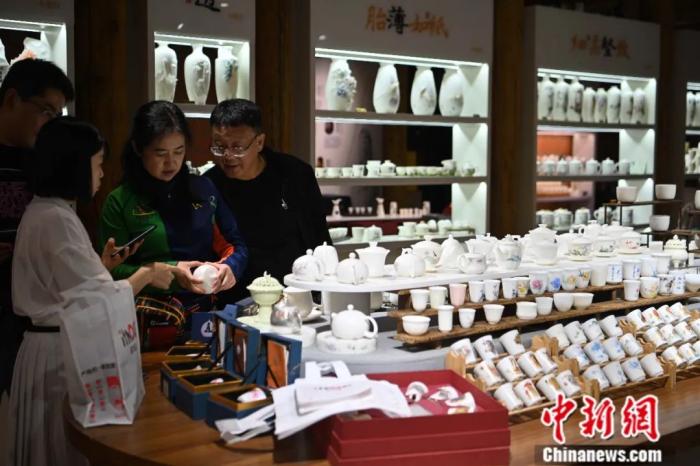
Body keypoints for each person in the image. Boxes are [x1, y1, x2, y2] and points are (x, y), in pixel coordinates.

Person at [7, 117, 175, 466]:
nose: (101, 174)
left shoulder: (48, 210)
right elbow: (99, 301)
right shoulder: (56, 219)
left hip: (48, 345)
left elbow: (68, 284)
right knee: (60, 447)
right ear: (74, 166)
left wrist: (102, 266)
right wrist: (147, 274)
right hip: (56, 352)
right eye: (97, 165)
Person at [100, 101, 248, 347]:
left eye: (178, 151)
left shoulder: (203, 189)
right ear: (138, 148)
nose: (171, 163)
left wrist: (229, 268)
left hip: (203, 317)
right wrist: (161, 271)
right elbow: (110, 273)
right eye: (161, 153)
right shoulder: (120, 201)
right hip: (144, 323)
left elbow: (236, 245)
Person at [205, 99, 330, 301]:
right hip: (237, 300)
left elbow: (319, 235)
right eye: (219, 147)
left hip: (298, 294)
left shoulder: (295, 174)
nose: (228, 156)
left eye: (237, 147)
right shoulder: (209, 187)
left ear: (259, 142)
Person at [0, 59, 73, 402]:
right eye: (45, 111)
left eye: (57, 115)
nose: (50, 124)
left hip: (26, 313)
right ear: (12, 99)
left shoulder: (41, 162)